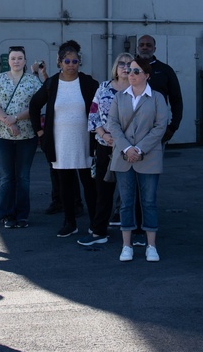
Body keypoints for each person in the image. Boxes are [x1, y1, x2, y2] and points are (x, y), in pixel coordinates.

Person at [30, 40, 99, 238]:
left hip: (85, 143)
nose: (71, 64)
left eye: (75, 61)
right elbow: (34, 105)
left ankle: (96, 223)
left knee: (89, 184)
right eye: (67, 61)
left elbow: (101, 105)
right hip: (60, 143)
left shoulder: (87, 83)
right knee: (65, 185)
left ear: (79, 62)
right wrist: (40, 132)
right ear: (59, 62)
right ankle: (70, 223)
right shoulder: (51, 83)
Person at [108, 57, 169, 262]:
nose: (130, 74)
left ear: (146, 76)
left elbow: (160, 127)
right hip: (123, 157)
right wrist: (127, 148)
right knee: (126, 202)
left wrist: (140, 148)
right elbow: (113, 124)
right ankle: (127, 245)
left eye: (135, 71)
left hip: (149, 157)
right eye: (129, 70)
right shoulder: (119, 97)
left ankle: (151, 246)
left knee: (149, 202)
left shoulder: (157, 98)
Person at [78, 52, 134, 246]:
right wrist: (103, 135)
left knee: (131, 192)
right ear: (115, 68)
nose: (125, 67)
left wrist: (122, 140)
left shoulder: (138, 89)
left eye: (129, 64)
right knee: (103, 191)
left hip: (129, 149)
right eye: (121, 64)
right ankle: (99, 231)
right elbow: (93, 114)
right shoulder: (104, 88)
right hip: (105, 147)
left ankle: (135, 232)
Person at [0, 46, 45, 229]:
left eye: (20, 58)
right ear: (8, 61)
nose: (16, 61)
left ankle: (22, 216)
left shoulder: (32, 81)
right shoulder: (0, 79)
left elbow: (36, 106)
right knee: (6, 177)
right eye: (13, 58)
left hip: (26, 136)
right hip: (2, 136)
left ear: (25, 61)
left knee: (23, 177)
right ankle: (6, 214)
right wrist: (8, 122)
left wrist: (16, 118)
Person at [136, 35, 183, 144]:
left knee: (154, 160)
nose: (144, 47)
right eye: (141, 45)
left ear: (154, 49)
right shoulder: (129, 69)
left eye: (148, 45)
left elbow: (176, 100)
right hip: (131, 126)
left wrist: (173, 127)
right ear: (137, 48)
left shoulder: (165, 70)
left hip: (157, 127)